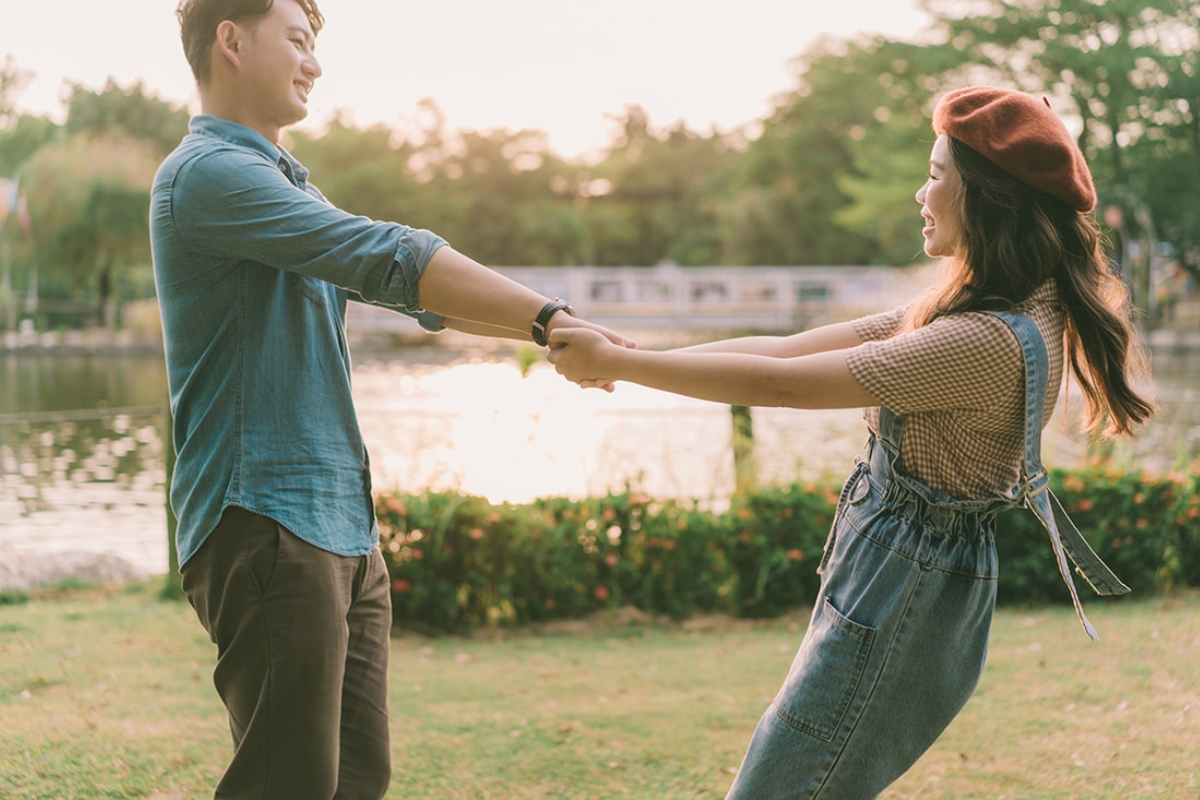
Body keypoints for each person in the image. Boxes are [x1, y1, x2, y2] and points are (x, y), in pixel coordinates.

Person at [549, 86, 1154, 798]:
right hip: (895, 567)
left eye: (936, 175)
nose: (918, 193)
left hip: (908, 583)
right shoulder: (974, 307)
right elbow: (786, 352)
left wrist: (622, 366)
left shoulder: (985, 340)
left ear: (986, 199)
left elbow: (786, 389)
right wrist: (629, 350)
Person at [151, 1, 631, 797]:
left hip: (340, 524)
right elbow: (389, 255)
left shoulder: (281, 183)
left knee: (357, 780)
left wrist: (552, 339)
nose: (314, 63)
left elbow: (408, 294)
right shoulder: (210, 177)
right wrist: (550, 315)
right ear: (230, 41)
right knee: (290, 782)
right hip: (264, 519)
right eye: (298, 41)